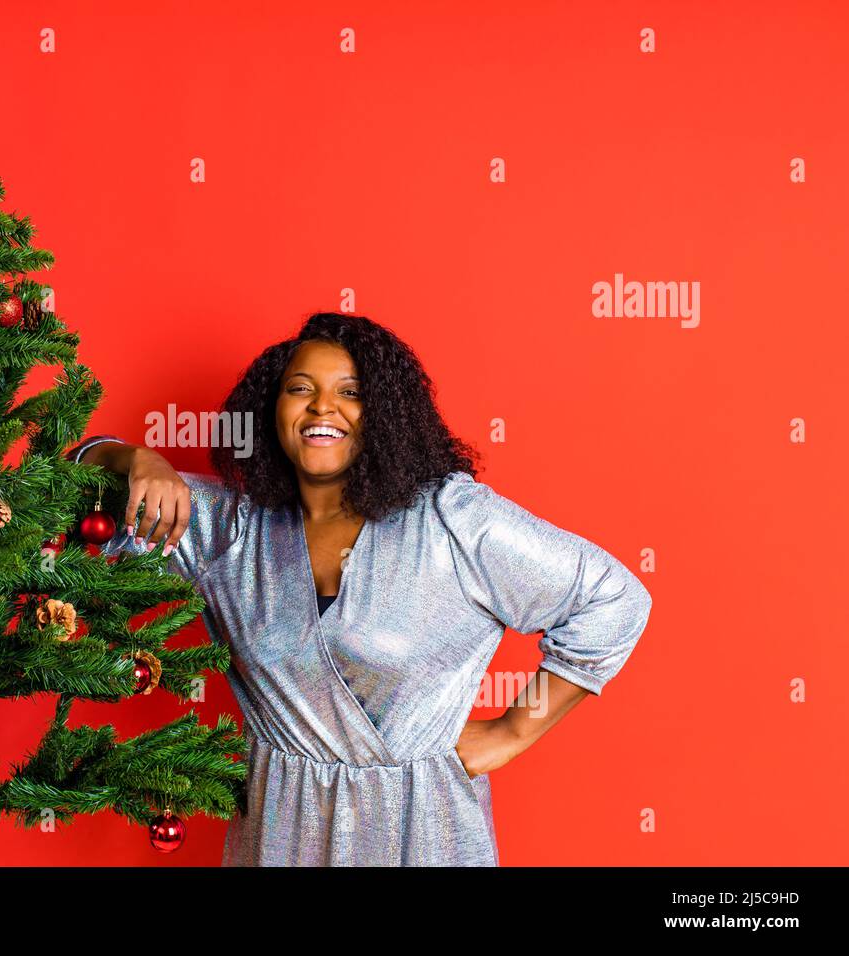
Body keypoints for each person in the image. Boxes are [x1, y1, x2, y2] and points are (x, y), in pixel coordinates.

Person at [65, 311, 652, 866]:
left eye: (351, 392)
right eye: (301, 388)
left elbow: (613, 599)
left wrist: (512, 731)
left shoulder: (451, 520)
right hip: (280, 830)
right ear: (272, 409)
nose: (324, 406)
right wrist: (136, 457)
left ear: (385, 414)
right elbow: (68, 486)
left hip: (423, 828)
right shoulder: (231, 527)